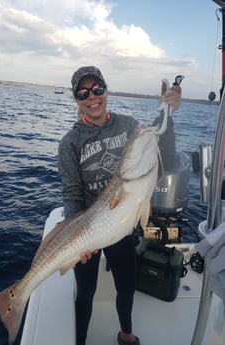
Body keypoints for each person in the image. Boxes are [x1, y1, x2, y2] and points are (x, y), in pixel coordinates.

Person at [58, 66, 181, 345]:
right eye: (83, 92)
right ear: (77, 99)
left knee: (126, 286)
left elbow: (166, 158)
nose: (92, 97)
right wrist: (77, 236)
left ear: (106, 89)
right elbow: (72, 193)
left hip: (122, 227)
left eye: (97, 89)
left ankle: (126, 334)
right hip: (89, 226)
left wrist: (168, 115)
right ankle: (80, 340)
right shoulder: (70, 143)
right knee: (86, 291)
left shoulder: (128, 126)